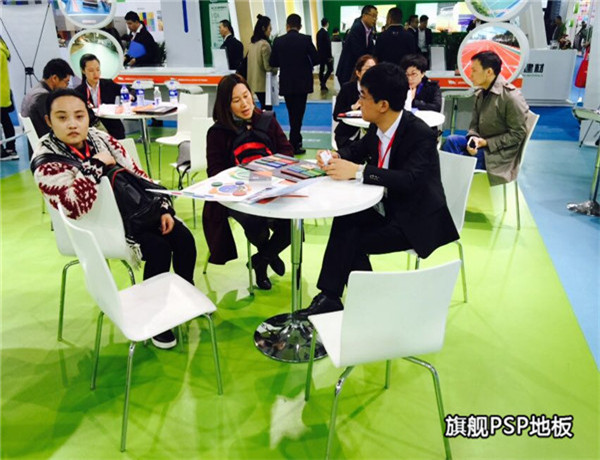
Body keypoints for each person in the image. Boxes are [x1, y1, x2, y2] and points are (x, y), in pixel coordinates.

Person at [31, 89, 196, 349]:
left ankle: (185, 296)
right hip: (94, 227)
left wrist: (163, 207)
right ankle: (156, 318)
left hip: (131, 213)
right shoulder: (45, 160)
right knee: (159, 249)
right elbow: (75, 207)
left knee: (183, 238)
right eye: (62, 117)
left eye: (79, 116)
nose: (72, 124)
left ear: (88, 117)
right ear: (48, 121)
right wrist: (96, 164)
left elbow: (137, 175)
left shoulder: (100, 138)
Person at [296, 63, 458, 317]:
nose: (359, 103)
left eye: (363, 96)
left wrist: (359, 171)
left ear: (383, 105)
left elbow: (409, 180)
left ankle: (359, 303)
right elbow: (357, 150)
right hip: (386, 207)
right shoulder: (378, 126)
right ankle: (337, 298)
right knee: (346, 220)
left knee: (351, 241)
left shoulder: (420, 134)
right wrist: (336, 156)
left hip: (415, 218)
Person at [203, 74, 294, 290]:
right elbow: (215, 172)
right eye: (236, 100)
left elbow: (287, 152)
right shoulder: (217, 133)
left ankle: (261, 259)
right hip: (237, 195)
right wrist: (244, 177)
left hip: (272, 187)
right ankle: (266, 259)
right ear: (226, 105)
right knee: (255, 223)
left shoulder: (267, 120)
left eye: (246, 96)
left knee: (292, 226)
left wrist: (270, 170)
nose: (245, 104)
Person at [442, 51, 529, 185]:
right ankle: (452, 184)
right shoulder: (482, 93)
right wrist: (473, 138)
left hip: (498, 154)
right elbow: (474, 124)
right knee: (450, 141)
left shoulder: (511, 97)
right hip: (482, 143)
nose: (470, 75)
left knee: (455, 160)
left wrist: (486, 143)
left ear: (489, 72)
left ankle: (453, 186)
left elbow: (518, 134)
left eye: (474, 70)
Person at [269, 14, 319, 155]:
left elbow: (273, 62)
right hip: (303, 83)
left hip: (287, 82)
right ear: (300, 26)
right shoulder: (306, 39)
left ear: (287, 26)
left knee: (292, 112)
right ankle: (294, 142)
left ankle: (294, 140)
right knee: (299, 113)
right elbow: (316, 59)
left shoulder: (278, 41)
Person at [21, 58, 74, 144]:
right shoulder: (43, 97)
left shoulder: (35, 90)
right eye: (66, 82)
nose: (66, 86)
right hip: (46, 142)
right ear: (54, 78)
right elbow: (53, 125)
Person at [74, 54, 127, 139]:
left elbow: (128, 91)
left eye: (98, 69)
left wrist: (131, 96)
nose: (95, 73)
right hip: (91, 131)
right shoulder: (78, 92)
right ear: (83, 71)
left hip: (113, 129)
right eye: (91, 70)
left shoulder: (108, 84)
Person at [333, 54, 377, 148]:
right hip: (347, 136)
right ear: (358, 73)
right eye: (367, 69)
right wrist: (353, 107)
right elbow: (336, 115)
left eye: (374, 69)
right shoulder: (347, 88)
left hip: (372, 135)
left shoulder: (379, 90)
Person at [335, 5, 377, 85]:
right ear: (364, 16)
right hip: (348, 72)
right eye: (373, 16)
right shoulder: (357, 28)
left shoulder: (369, 30)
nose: (375, 19)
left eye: (376, 17)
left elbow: (370, 49)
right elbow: (358, 52)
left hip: (355, 72)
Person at [247, 14, 276, 111]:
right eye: (269, 28)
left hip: (253, 82)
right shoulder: (265, 45)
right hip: (263, 84)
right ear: (264, 28)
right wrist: (276, 69)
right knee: (267, 109)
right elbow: (267, 67)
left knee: (263, 108)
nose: (270, 31)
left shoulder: (252, 44)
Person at [0, 35, 17, 161]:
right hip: (3, 92)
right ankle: (10, 148)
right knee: (5, 120)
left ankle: (7, 150)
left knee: (5, 120)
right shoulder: (2, 48)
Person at [317, 18, 333, 91]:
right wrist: (330, 56)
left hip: (320, 55)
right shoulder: (326, 33)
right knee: (330, 69)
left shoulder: (318, 33)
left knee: (321, 69)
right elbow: (328, 46)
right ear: (327, 24)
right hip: (326, 55)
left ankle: (322, 85)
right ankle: (323, 82)